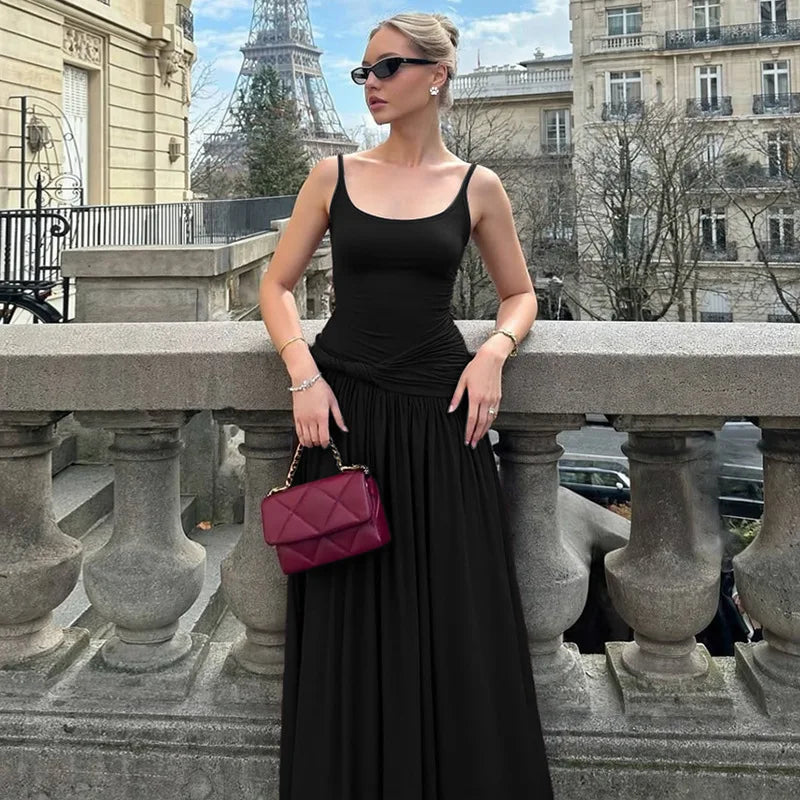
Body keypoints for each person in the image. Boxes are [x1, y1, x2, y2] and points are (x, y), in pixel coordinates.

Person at [259, 11, 554, 799]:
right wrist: (302, 370)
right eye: (364, 72)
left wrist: (495, 349)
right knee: (348, 625)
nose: (371, 85)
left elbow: (519, 294)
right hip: (344, 417)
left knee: (452, 622)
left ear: (436, 75)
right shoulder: (333, 175)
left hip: (440, 421)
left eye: (386, 68)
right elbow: (275, 286)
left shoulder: (477, 186)